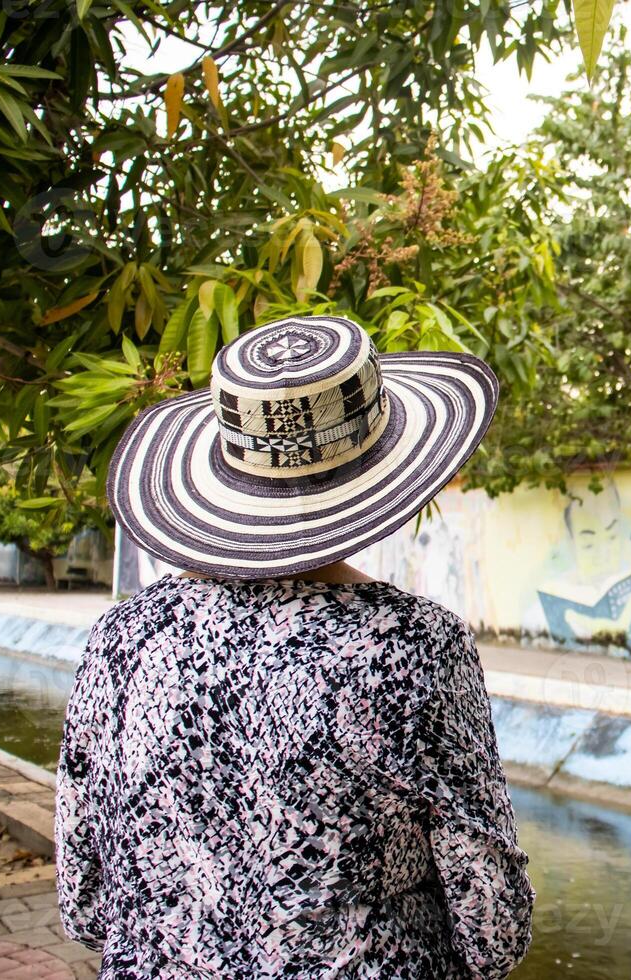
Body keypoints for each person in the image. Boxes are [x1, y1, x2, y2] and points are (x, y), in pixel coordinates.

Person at [55, 315, 533, 978]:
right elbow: (492, 928)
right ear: (382, 467)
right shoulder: (412, 646)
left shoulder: (122, 641)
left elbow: (83, 903)